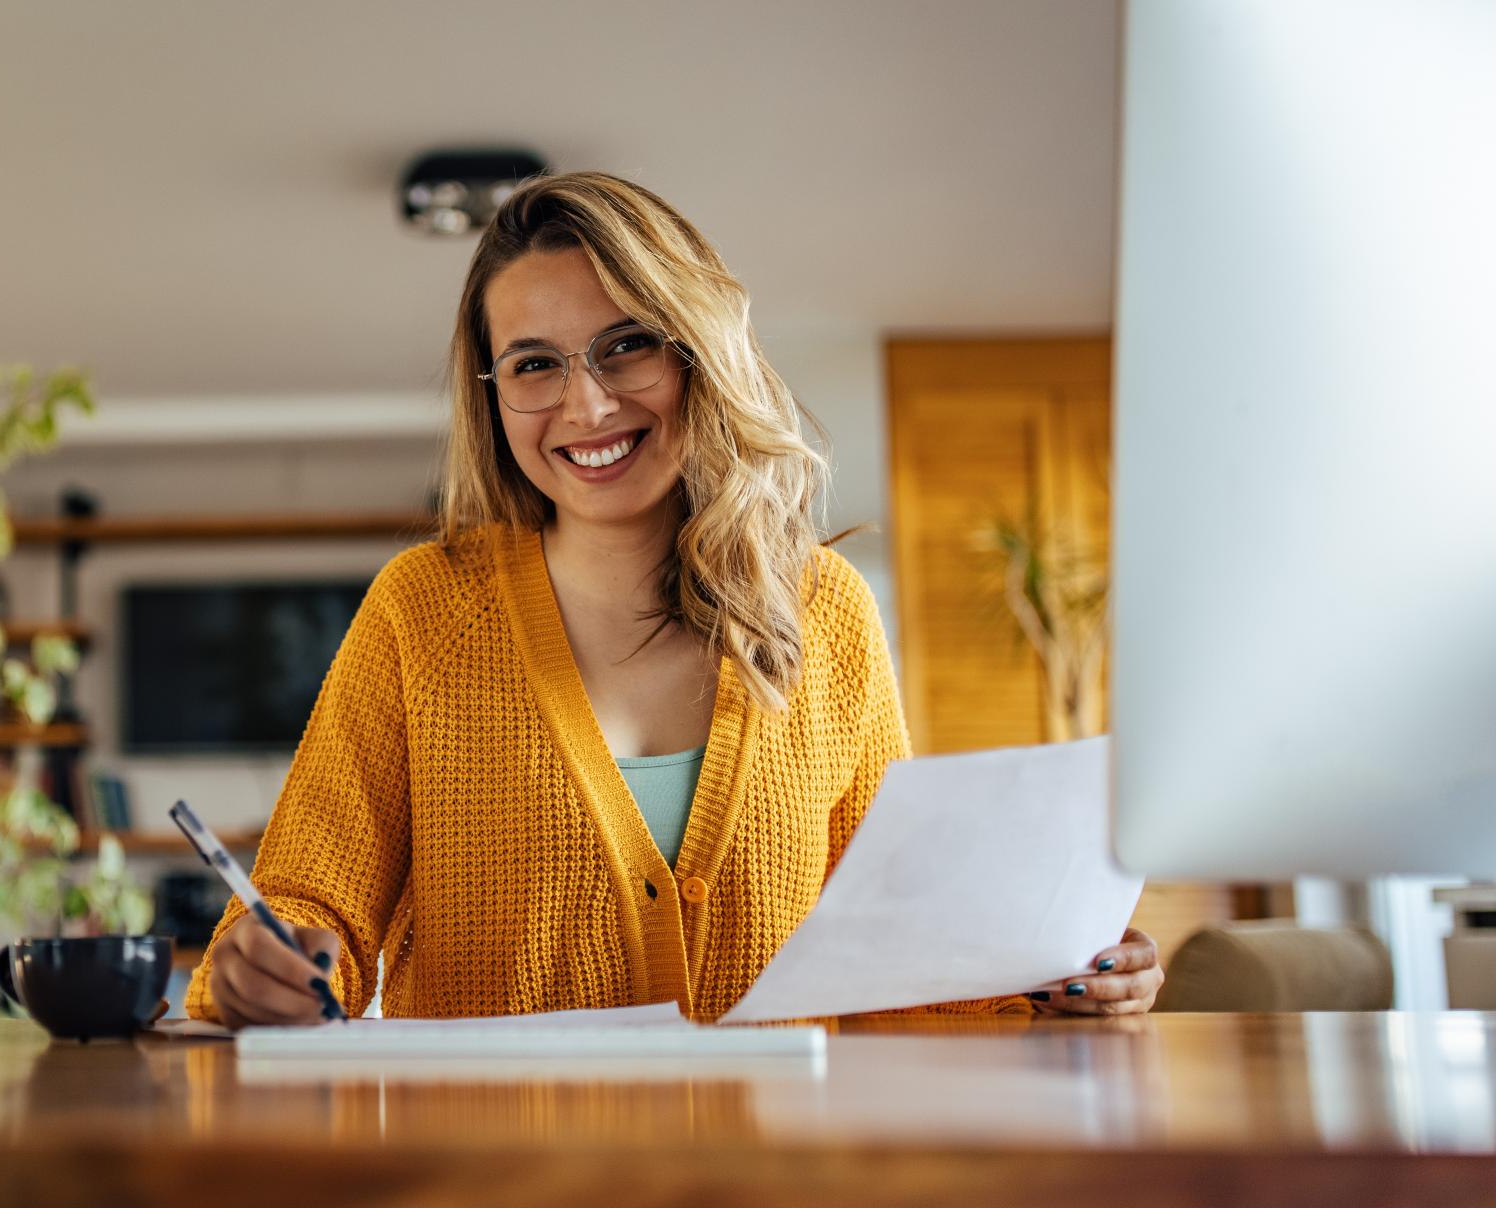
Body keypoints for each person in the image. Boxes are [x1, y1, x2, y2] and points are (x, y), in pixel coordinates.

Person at [185, 172, 1163, 1027]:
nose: (589, 405)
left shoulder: (826, 616)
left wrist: (1058, 974)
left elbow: (905, 958)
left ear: (696, 350)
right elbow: (311, 908)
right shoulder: (423, 611)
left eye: (626, 346)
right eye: (534, 363)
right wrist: (260, 968)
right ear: (493, 394)